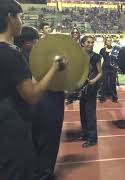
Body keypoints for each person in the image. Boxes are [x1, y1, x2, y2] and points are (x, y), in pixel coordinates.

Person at [0, 1, 67, 179]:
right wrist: (54, 68)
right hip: (12, 127)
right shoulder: (11, 53)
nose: (21, 22)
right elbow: (32, 96)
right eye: (20, 17)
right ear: (10, 18)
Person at [15, 25, 65, 180]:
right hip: (46, 102)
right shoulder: (34, 57)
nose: (38, 43)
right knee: (48, 142)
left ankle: (37, 172)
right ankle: (44, 174)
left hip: (27, 107)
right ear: (27, 43)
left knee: (34, 141)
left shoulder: (16, 55)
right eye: (36, 40)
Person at [79, 35, 102, 148]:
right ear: (82, 43)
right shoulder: (78, 55)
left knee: (90, 113)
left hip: (91, 87)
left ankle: (92, 138)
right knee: (82, 112)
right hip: (81, 87)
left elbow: (100, 72)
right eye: (88, 42)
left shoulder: (96, 56)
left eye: (92, 42)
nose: (90, 44)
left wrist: (93, 80)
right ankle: (85, 133)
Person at [99, 36, 118, 103]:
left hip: (113, 68)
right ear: (105, 41)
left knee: (113, 83)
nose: (109, 41)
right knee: (104, 83)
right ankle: (102, 97)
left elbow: (118, 59)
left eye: (110, 40)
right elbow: (99, 59)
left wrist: (117, 67)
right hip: (105, 68)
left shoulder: (115, 49)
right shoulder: (102, 50)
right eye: (108, 40)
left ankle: (114, 97)